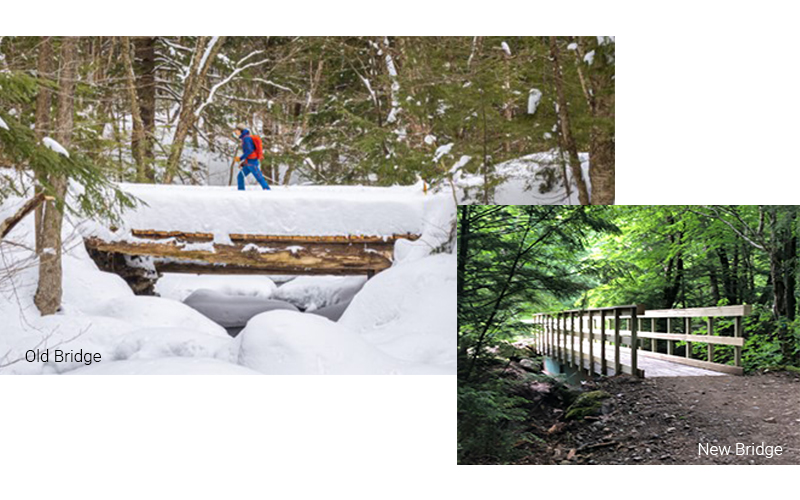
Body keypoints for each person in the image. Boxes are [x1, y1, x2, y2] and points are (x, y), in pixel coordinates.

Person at [234, 124, 270, 191]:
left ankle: (267, 190)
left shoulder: (246, 138)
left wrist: (240, 158)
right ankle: (241, 192)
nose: (235, 132)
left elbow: (249, 151)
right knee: (240, 176)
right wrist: (243, 163)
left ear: (240, 130)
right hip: (249, 162)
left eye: (236, 130)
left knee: (259, 177)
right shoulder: (245, 138)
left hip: (252, 162)